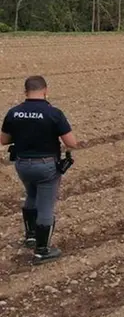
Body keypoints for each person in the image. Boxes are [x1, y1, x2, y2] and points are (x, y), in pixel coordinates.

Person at [1, 76, 78, 265]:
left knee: (31, 195)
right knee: (45, 205)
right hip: (46, 166)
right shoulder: (53, 113)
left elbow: (3, 140)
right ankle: (42, 250)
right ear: (45, 90)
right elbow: (71, 143)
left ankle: (31, 236)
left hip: (23, 165)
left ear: (25, 91)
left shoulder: (14, 113)